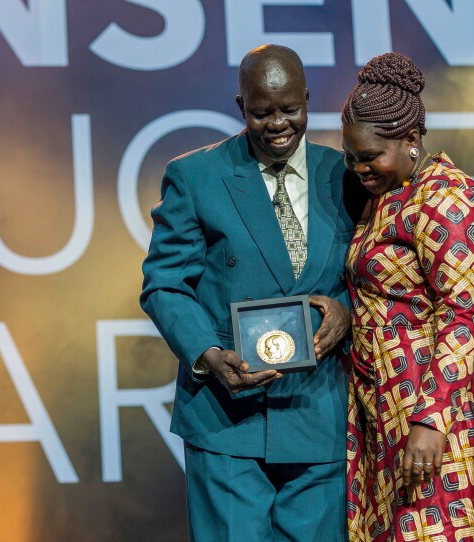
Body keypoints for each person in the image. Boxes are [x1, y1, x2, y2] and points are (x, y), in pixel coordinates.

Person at [141, 44, 362, 540]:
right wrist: (207, 353)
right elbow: (165, 283)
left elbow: (372, 274)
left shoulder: (345, 176)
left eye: (291, 110)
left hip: (319, 414)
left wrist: (346, 313)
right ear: (241, 107)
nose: (279, 124)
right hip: (227, 419)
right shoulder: (198, 177)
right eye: (263, 112)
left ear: (307, 99)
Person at [341, 52, 474, 542]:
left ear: (411, 141)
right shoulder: (386, 197)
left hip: (433, 418)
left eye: (370, 156)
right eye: (351, 156)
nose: (359, 168)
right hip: (383, 414)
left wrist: (431, 418)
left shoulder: (445, 197)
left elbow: (465, 313)